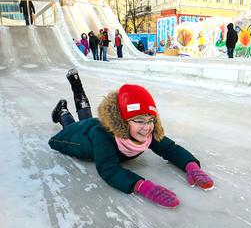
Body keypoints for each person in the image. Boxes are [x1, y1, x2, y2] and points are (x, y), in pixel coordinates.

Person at [49, 69, 214, 208]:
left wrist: (192, 166)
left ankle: (74, 90)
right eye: (140, 121)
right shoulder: (104, 136)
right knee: (73, 125)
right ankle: (62, 111)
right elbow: (109, 169)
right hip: (81, 139)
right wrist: (142, 186)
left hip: (94, 125)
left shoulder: (147, 131)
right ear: (123, 122)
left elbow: (171, 149)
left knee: (86, 116)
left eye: (151, 120)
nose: (147, 127)